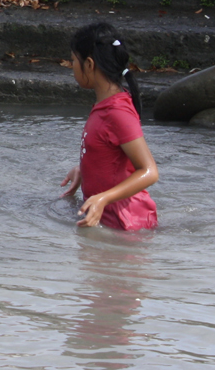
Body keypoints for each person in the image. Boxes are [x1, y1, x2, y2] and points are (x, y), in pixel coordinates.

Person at [60, 22, 158, 229]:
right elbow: (111, 155)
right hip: (108, 220)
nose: (72, 68)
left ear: (89, 64)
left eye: (73, 61)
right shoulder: (105, 105)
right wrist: (84, 169)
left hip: (129, 226)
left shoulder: (117, 112)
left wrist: (103, 198)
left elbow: (149, 171)